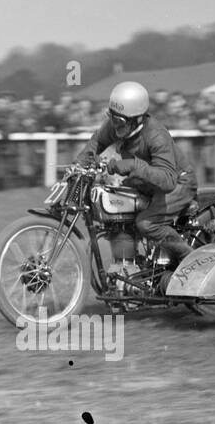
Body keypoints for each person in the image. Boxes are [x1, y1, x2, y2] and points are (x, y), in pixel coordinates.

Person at [76, 80, 197, 285]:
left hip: (179, 182)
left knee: (147, 223)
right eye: (112, 118)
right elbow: (96, 142)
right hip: (145, 182)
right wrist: (78, 166)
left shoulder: (156, 135)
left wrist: (133, 165)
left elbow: (167, 180)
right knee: (116, 208)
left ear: (137, 119)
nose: (115, 126)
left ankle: (189, 260)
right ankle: (130, 272)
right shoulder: (116, 125)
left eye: (120, 122)